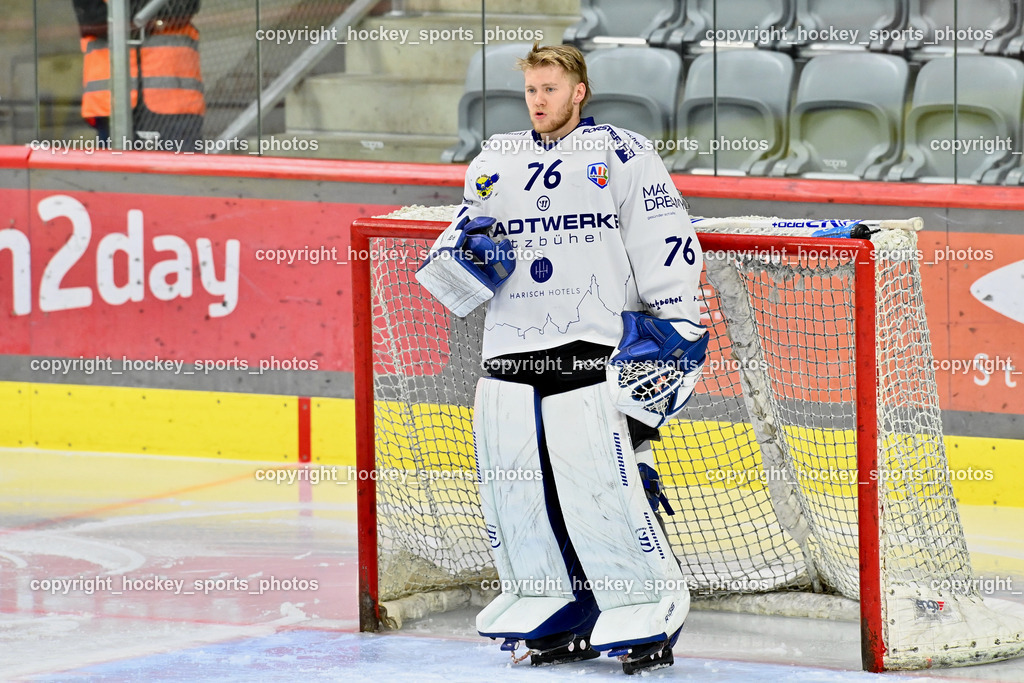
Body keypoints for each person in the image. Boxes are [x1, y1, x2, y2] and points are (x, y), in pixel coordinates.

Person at [416, 43, 708, 675]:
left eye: (551, 88)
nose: (539, 100)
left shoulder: (623, 153)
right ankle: (552, 601)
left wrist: (679, 321)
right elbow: (465, 238)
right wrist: (457, 257)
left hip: (593, 346)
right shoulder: (497, 158)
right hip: (512, 347)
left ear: (580, 91)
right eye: (530, 90)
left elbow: (663, 238)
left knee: (605, 486)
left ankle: (645, 605)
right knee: (516, 491)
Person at [73, 0, 205, 148]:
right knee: (114, 168)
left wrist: (125, 23)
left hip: (173, 101)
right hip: (110, 100)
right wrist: (151, 22)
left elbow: (183, 9)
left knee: (176, 168)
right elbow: (92, 20)